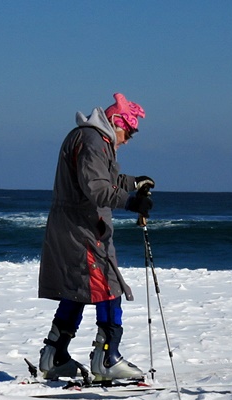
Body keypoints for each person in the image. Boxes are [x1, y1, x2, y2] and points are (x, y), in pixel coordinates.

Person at [37, 92, 155, 382]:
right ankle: (107, 357)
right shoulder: (93, 141)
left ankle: (54, 354)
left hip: (74, 226)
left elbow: (105, 178)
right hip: (83, 229)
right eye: (129, 132)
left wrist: (134, 183)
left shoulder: (90, 139)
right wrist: (131, 202)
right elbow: (96, 188)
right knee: (108, 285)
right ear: (116, 122)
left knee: (79, 287)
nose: (127, 140)